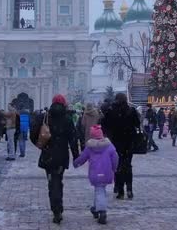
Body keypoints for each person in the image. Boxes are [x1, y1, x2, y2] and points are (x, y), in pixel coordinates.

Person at [30, 94, 79, 224]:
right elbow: (73, 139)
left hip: (48, 154)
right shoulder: (67, 118)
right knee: (58, 179)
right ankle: (58, 207)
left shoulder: (44, 116)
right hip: (62, 155)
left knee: (52, 181)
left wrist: (41, 145)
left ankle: (56, 209)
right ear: (63, 103)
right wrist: (76, 157)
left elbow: (33, 134)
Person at [73, 125, 119, 225]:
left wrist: (76, 163)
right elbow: (115, 157)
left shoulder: (90, 147)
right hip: (107, 172)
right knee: (100, 190)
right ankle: (95, 208)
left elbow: (82, 158)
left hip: (95, 173)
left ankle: (102, 212)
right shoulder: (109, 145)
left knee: (99, 190)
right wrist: (114, 168)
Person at [101, 93, 140, 200]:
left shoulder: (111, 111)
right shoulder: (131, 111)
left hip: (116, 143)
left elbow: (104, 125)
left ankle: (120, 190)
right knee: (128, 165)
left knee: (118, 166)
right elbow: (137, 124)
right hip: (129, 142)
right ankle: (130, 189)